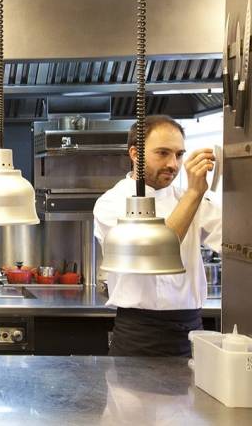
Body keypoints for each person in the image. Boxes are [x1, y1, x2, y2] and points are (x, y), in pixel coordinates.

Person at [93, 115, 221, 357]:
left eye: (179, 154)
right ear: (134, 154)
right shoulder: (111, 204)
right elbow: (155, 253)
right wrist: (194, 193)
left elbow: (237, 239)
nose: (173, 164)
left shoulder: (194, 199)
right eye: (162, 153)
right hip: (139, 334)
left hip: (192, 331)